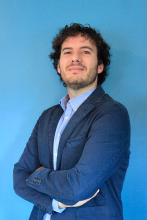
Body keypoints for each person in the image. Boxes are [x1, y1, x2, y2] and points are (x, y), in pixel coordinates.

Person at [13, 23, 131, 220]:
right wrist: (56, 203)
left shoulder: (112, 114)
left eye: (85, 51)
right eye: (67, 52)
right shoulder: (47, 117)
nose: (75, 57)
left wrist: (38, 175)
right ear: (59, 66)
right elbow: (19, 178)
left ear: (100, 65)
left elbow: (78, 188)